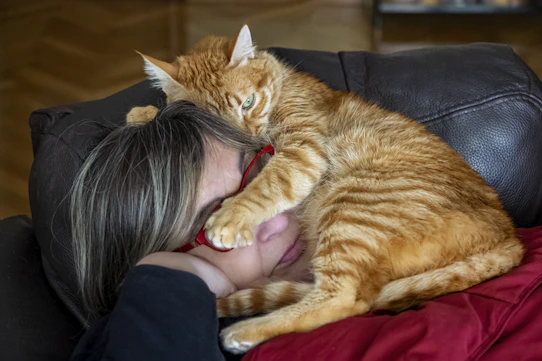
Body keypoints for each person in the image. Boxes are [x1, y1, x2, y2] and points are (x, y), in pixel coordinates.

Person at [69, 101, 310, 361]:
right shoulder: (145, 330)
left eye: (259, 182)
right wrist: (171, 277)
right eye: (216, 222)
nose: (278, 222)